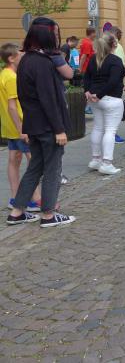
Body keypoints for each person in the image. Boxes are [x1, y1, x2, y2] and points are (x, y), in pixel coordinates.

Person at [7, 23, 74, 227]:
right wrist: (59, 129)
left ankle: (17, 212)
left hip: (33, 124)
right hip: (47, 126)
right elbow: (48, 98)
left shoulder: (25, 60)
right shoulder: (43, 62)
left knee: (35, 168)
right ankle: (48, 214)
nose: (56, 38)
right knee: (53, 169)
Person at [1, 43, 42, 211]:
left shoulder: (3, 74)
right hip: (21, 126)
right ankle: (35, 198)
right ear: (11, 58)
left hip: (10, 126)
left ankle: (14, 197)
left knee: (14, 160)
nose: (23, 57)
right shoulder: (12, 78)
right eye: (19, 55)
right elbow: (12, 107)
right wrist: (22, 129)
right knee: (34, 162)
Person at [83, 32, 125, 175]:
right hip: (110, 99)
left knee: (98, 128)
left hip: (95, 99)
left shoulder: (93, 59)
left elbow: (86, 76)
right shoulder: (115, 60)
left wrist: (88, 91)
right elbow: (113, 81)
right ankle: (107, 163)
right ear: (114, 44)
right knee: (110, 131)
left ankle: (96, 159)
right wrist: (100, 95)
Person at [111, 26, 125, 145]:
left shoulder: (102, 45)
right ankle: (113, 134)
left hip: (101, 84)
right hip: (116, 83)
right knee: (115, 111)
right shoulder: (118, 46)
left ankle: (106, 134)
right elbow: (122, 66)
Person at [79, 26, 96, 114]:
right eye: (94, 33)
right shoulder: (88, 43)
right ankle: (87, 107)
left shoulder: (85, 41)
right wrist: (80, 68)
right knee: (89, 88)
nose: (95, 35)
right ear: (91, 33)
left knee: (88, 87)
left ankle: (88, 106)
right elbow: (84, 56)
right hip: (87, 69)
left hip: (87, 69)